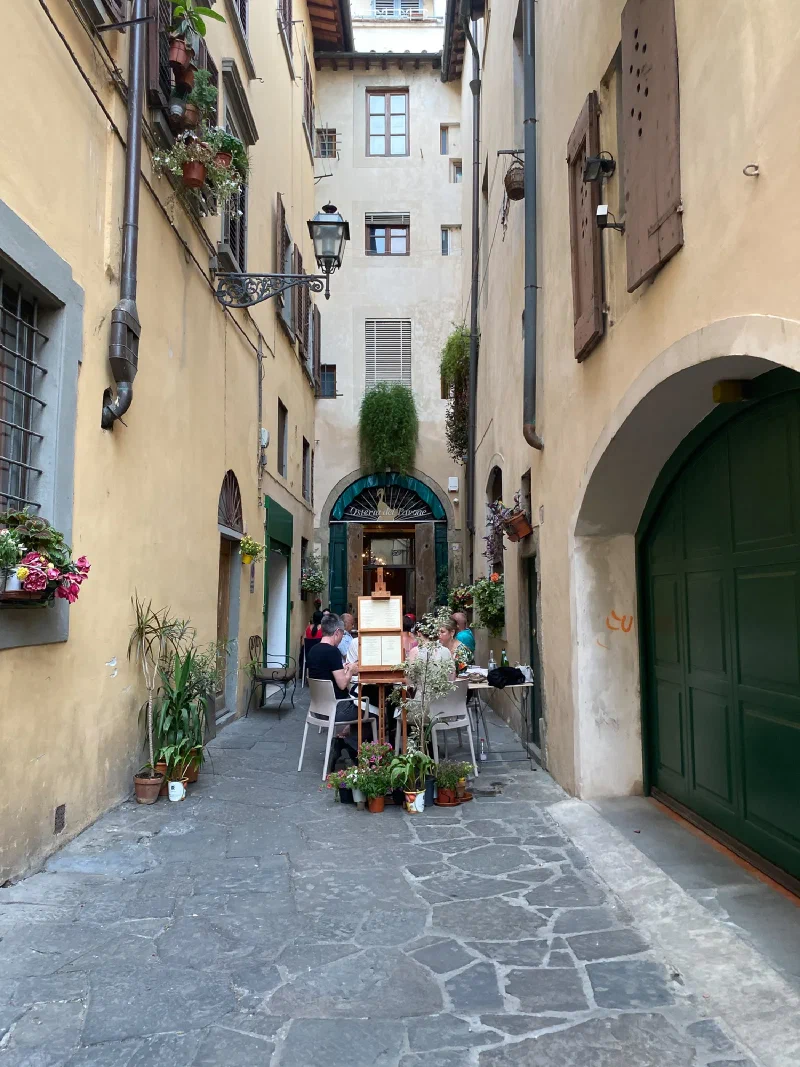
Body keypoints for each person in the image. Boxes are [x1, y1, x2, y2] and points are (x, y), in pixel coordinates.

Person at [305, 614, 375, 766]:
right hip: (337, 708)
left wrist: (345, 669)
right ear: (337, 632)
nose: (342, 638)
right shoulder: (332, 652)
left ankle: (348, 744)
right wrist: (351, 670)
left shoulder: (313, 650)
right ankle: (350, 745)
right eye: (342, 635)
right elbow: (343, 684)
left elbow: (326, 673)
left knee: (361, 706)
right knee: (373, 709)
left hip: (317, 709)